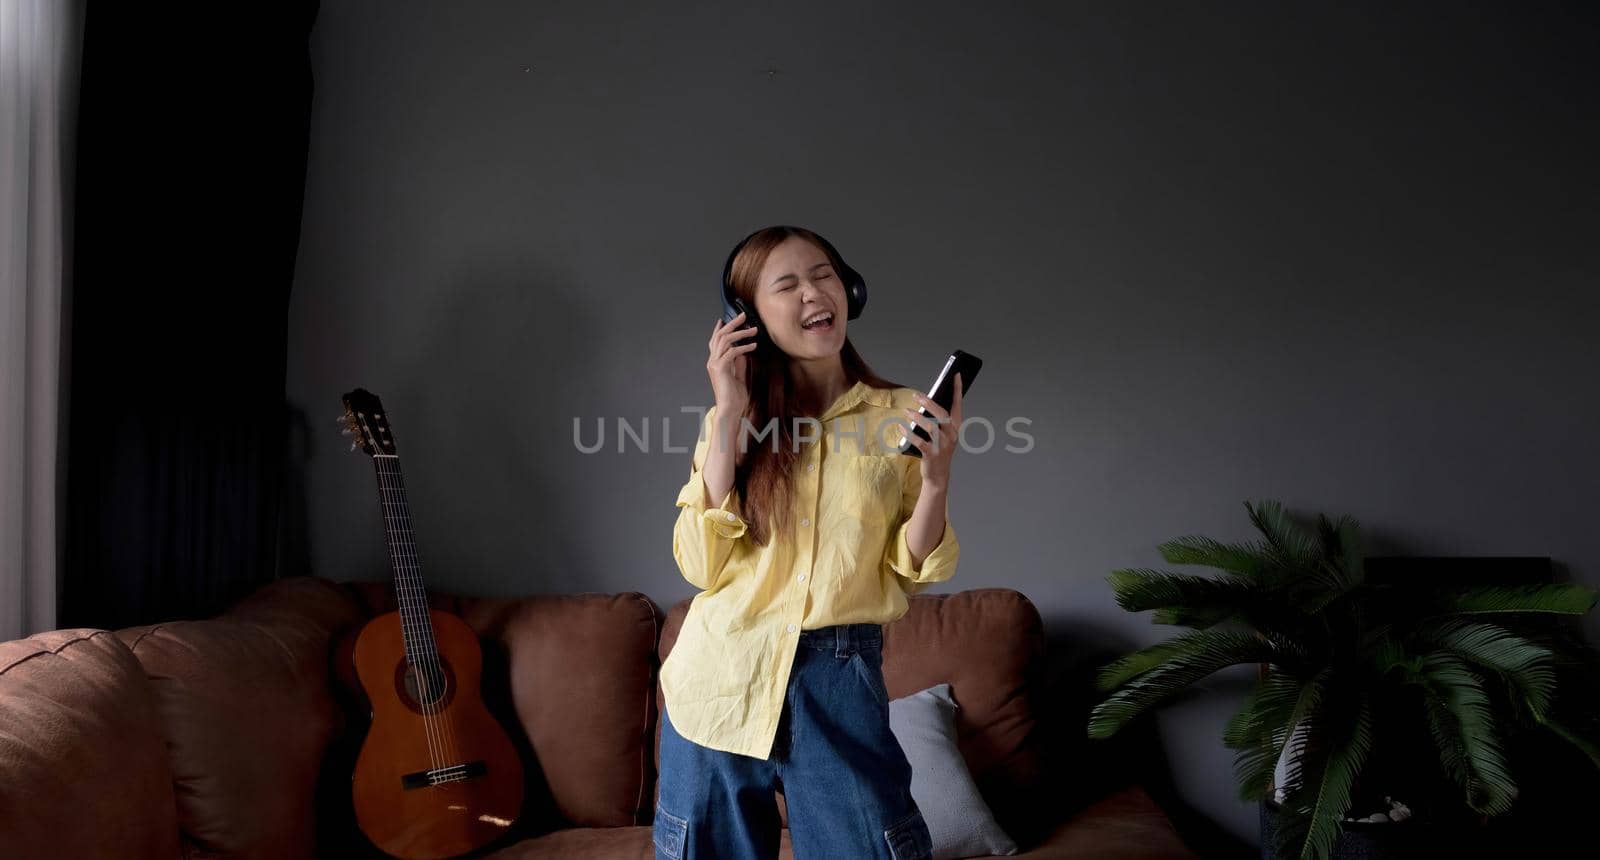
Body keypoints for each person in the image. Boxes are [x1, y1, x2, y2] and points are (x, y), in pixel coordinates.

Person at [656, 225, 964, 860]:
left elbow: (910, 569)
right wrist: (728, 415)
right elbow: (699, 563)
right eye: (787, 284)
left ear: (849, 289)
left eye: (824, 274)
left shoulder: (902, 412)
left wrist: (936, 478)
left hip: (840, 673)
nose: (813, 293)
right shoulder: (732, 419)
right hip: (720, 672)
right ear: (748, 318)